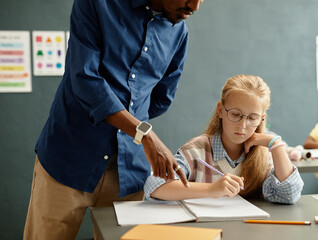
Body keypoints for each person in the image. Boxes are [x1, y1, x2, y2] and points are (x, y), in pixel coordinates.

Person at [24, 0, 205, 239]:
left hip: (127, 173)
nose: (194, 6)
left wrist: (128, 125)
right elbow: (85, 79)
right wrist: (143, 133)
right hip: (68, 161)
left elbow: (162, 98)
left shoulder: (178, 32)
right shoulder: (97, 4)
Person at [144, 75, 304, 203]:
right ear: (221, 110)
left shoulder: (264, 155)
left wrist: (275, 143)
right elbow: (155, 186)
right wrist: (211, 189)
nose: (242, 125)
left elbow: (289, 194)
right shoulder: (196, 151)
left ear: (261, 119)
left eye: (252, 118)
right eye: (235, 114)